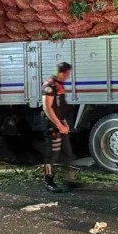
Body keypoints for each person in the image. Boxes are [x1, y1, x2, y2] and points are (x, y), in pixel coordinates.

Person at [41, 62, 77, 192]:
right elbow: (47, 108)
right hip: (52, 125)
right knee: (52, 154)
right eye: (68, 73)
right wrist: (58, 125)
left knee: (68, 153)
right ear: (63, 72)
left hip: (60, 123)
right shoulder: (50, 86)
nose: (68, 76)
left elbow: (60, 107)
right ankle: (48, 181)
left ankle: (69, 180)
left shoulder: (59, 85)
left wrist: (64, 123)